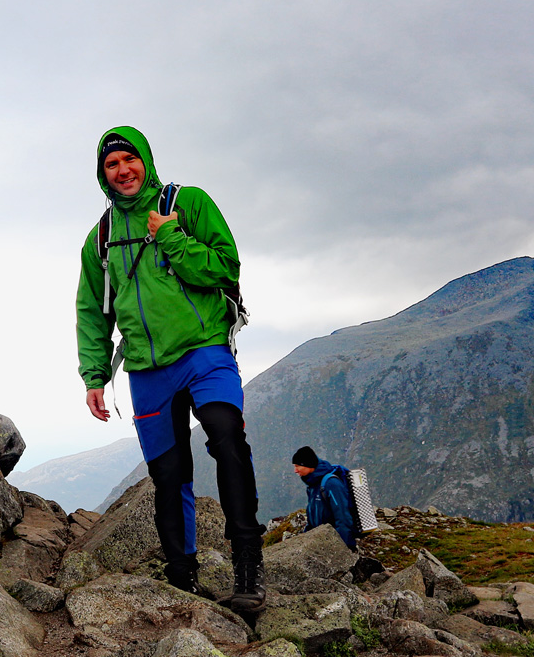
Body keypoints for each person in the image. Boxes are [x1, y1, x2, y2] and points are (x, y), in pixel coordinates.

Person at [76, 126, 266, 613]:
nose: (123, 172)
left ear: (145, 160)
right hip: (146, 369)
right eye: (112, 166)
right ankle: (183, 579)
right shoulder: (99, 239)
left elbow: (226, 269)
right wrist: (94, 375)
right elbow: (93, 313)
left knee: (227, 439)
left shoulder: (190, 203)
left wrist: (172, 237)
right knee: (169, 473)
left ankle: (249, 568)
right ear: (103, 176)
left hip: (205, 351)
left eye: (129, 160)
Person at [291, 447, 357, 550]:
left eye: (297, 466)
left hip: (335, 545)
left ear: (307, 464)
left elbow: (343, 518)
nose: (295, 470)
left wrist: (343, 549)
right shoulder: (312, 484)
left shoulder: (331, 484)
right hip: (323, 543)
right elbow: (312, 520)